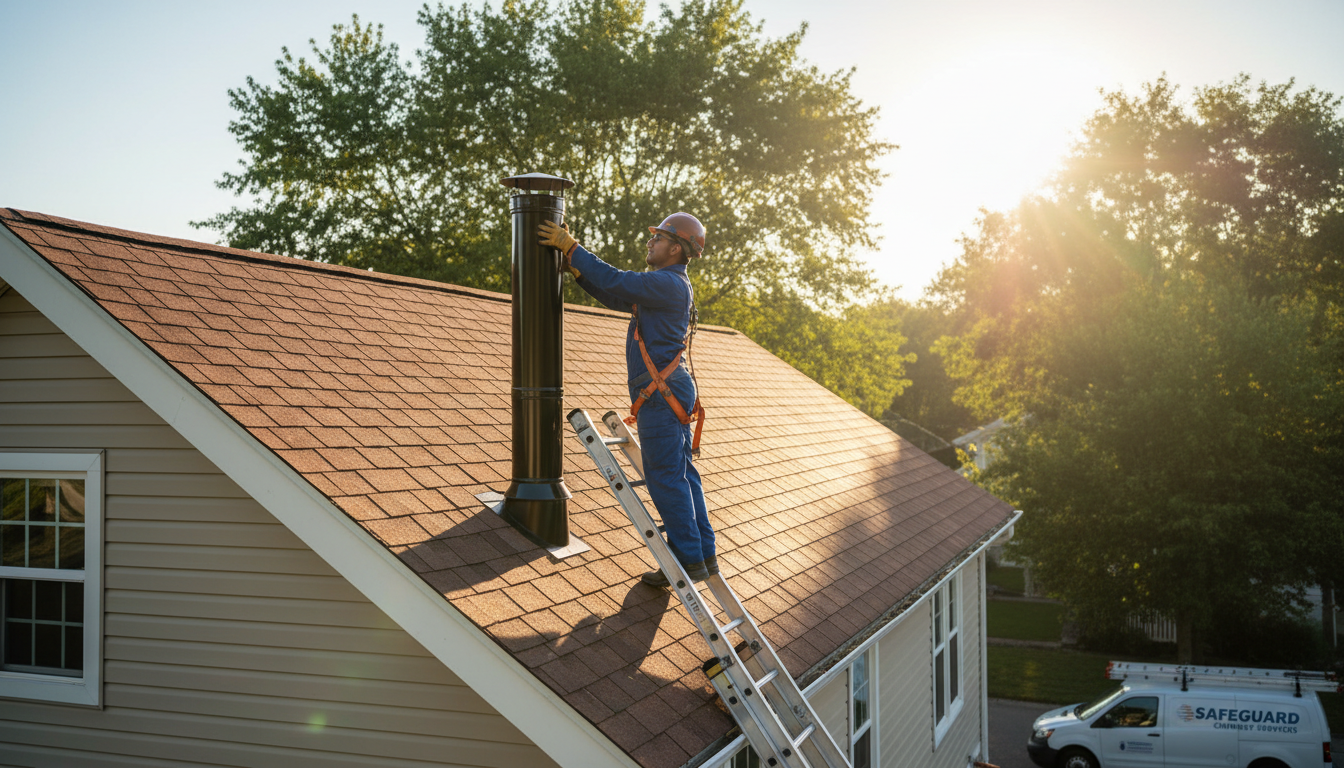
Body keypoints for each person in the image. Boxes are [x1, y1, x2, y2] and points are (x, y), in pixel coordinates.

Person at [538, 213, 717, 587]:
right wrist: (578, 270)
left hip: (661, 394)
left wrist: (572, 247)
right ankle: (702, 553)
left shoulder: (667, 283)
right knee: (682, 475)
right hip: (668, 391)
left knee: (667, 477)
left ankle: (686, 559)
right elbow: (616, 294)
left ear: (675, 248)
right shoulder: (668, 285)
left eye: (659, 238)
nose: (650, 243)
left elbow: (618, 280)